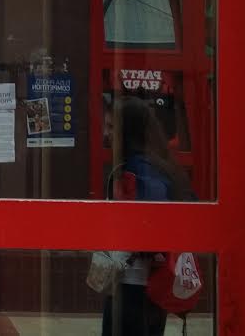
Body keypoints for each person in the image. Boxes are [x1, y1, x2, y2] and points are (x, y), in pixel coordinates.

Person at [101, 96, 194, 336]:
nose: (105, 133)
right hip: (149, 288)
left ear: (127, 131)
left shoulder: (139, 169)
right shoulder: (159, 165)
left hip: (133, 284)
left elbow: (152, 224)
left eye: (111, 127)